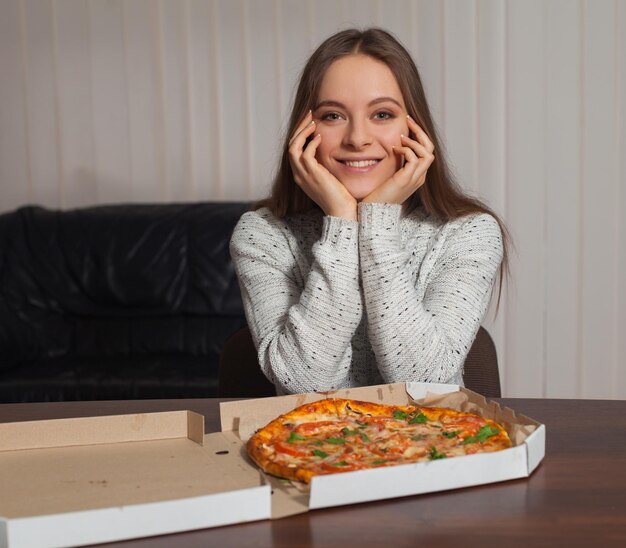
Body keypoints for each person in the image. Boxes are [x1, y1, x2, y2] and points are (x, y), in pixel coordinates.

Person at [230, 28, 508, 396]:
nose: (357, 138)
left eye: (381, 113)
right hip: (309, 449)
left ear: (416, 128)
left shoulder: (469, 233)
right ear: (303, 131)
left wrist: (377, 220)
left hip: (429, 448)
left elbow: (423, 383)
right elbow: (304, 382)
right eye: (332, 116)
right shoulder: (262, 236)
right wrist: (342, 222)